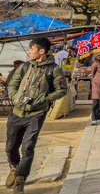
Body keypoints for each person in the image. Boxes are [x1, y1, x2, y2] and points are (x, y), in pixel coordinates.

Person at [5, 37, 67, 193]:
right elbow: (12, 84)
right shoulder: (24, 67)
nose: (28, 51)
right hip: (17, 113)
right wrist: (15, 97)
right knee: (10, 148)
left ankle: (20, 180)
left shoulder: (54, 69)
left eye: (31, 49)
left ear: (41, 51)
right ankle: (14, 167)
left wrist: (46, 99)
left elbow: (62, 90)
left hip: (36, 114)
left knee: (28, 148)